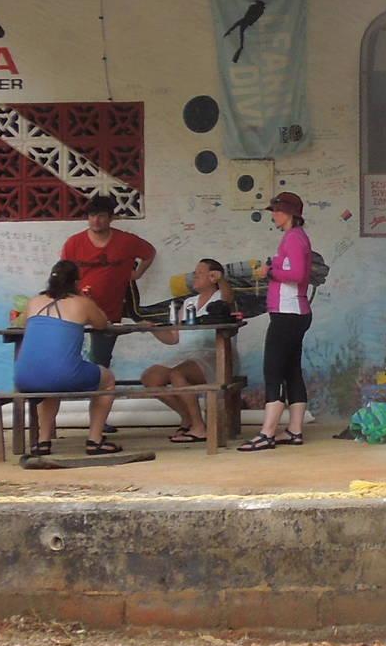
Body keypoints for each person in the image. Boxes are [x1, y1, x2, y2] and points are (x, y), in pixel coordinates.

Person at [17, 259, 119, 456]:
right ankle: (95, 439)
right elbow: (102, 323)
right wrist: (85, 299)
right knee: (108, 380)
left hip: (24, 376)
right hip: (63, 374)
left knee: (49, 384)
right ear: (76, 282)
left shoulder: (34, 302)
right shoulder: (82, 302)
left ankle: (43, 441)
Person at [240, 191, 313, 450]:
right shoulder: (296, 237)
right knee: (291, 371)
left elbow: (296, 273)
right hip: (294, 312)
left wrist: (268, 271)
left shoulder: (293, 238)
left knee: (273, 370)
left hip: (288, 313)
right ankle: (294, 430)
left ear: (290, 213)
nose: (274, 214)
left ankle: (267, 433)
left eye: (277, 210)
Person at [139, 257, 240, 444]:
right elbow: (173, 338)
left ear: (212, 277)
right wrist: (152, 329)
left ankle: (199, 428)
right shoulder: (188, 303)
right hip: (187, 356)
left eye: (200, 273)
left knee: (178, 375)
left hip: (214, 354)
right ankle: (187, 417)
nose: (195, 277)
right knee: (150, 377)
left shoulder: (221, 297)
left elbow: (228, 298)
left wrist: (221, 280)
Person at [59, 194, 155, 377]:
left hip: (109, 313)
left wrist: (138, 273)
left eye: (101, 215)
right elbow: (64, 275)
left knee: (100, 362)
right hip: (77, 313)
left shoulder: (127, 241)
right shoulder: (74, 243)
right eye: (92, 215)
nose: (96, 220)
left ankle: (95, 399)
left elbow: (149, 253)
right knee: (69, 358)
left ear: (111, 218)